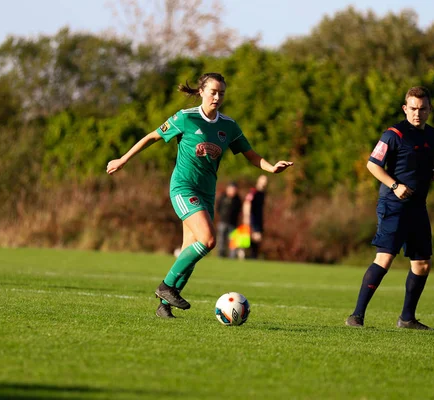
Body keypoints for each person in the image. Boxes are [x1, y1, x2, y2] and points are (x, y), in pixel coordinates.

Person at [106, 73, 293, 318]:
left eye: (222, 93)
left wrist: (271, 167)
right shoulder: (185, 118)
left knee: (190, 250)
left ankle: (164, 307)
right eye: (213, 91)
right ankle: (166, 286)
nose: (217, 97)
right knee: (208, 240)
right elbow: (152, 136)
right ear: (202, 91)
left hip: (206, 193)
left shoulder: (228, 126)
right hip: (183, 188)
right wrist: (123, 159)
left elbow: (250, 154)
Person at [345, 86, 434, 330]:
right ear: (405, 108)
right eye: (413, 108)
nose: (417, 114)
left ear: (429, 110)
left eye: (422, 109)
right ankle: (356, 316)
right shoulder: (393, 134)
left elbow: (430, 164)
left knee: (422, 264)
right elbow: (372, 165)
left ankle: (407, 319)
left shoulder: (433, 136)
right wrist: (395, 185)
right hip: (393, 205)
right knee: (385, 258)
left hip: (418, 207)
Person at [243, 175, 267, 259]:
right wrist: (246, 217)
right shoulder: (253, 192)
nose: (264, 183)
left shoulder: (263, 193)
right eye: (263, 180)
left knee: (256, 238)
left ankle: (251, 256)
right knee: (255, 237)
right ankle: (247, 255)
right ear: (259, 181)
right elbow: (247, 203)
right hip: (252, 219)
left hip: (259, 219)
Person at [216, 182, 242, 258]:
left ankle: (232, 256)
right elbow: (218, 207)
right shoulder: (223, 197)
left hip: (233, 223)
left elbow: (239, 210)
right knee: (221, 239)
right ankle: (221, 254)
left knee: (233, 241)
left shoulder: (237, 199)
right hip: (223, 222)